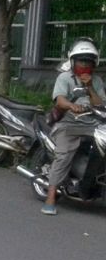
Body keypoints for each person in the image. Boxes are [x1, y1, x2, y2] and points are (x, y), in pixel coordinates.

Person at [43, 38, 106, 215]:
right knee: (63, 156)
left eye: (87, 61)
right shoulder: (64, 78)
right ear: (72, 61)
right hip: (68, 124)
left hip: (93, 124)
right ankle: (50, 197)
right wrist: (72, 106)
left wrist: (89, 86)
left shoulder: (97, 81)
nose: (84, 64)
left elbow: (100, 103)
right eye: (80, 61)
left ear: (94, 63)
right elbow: (60, 99)